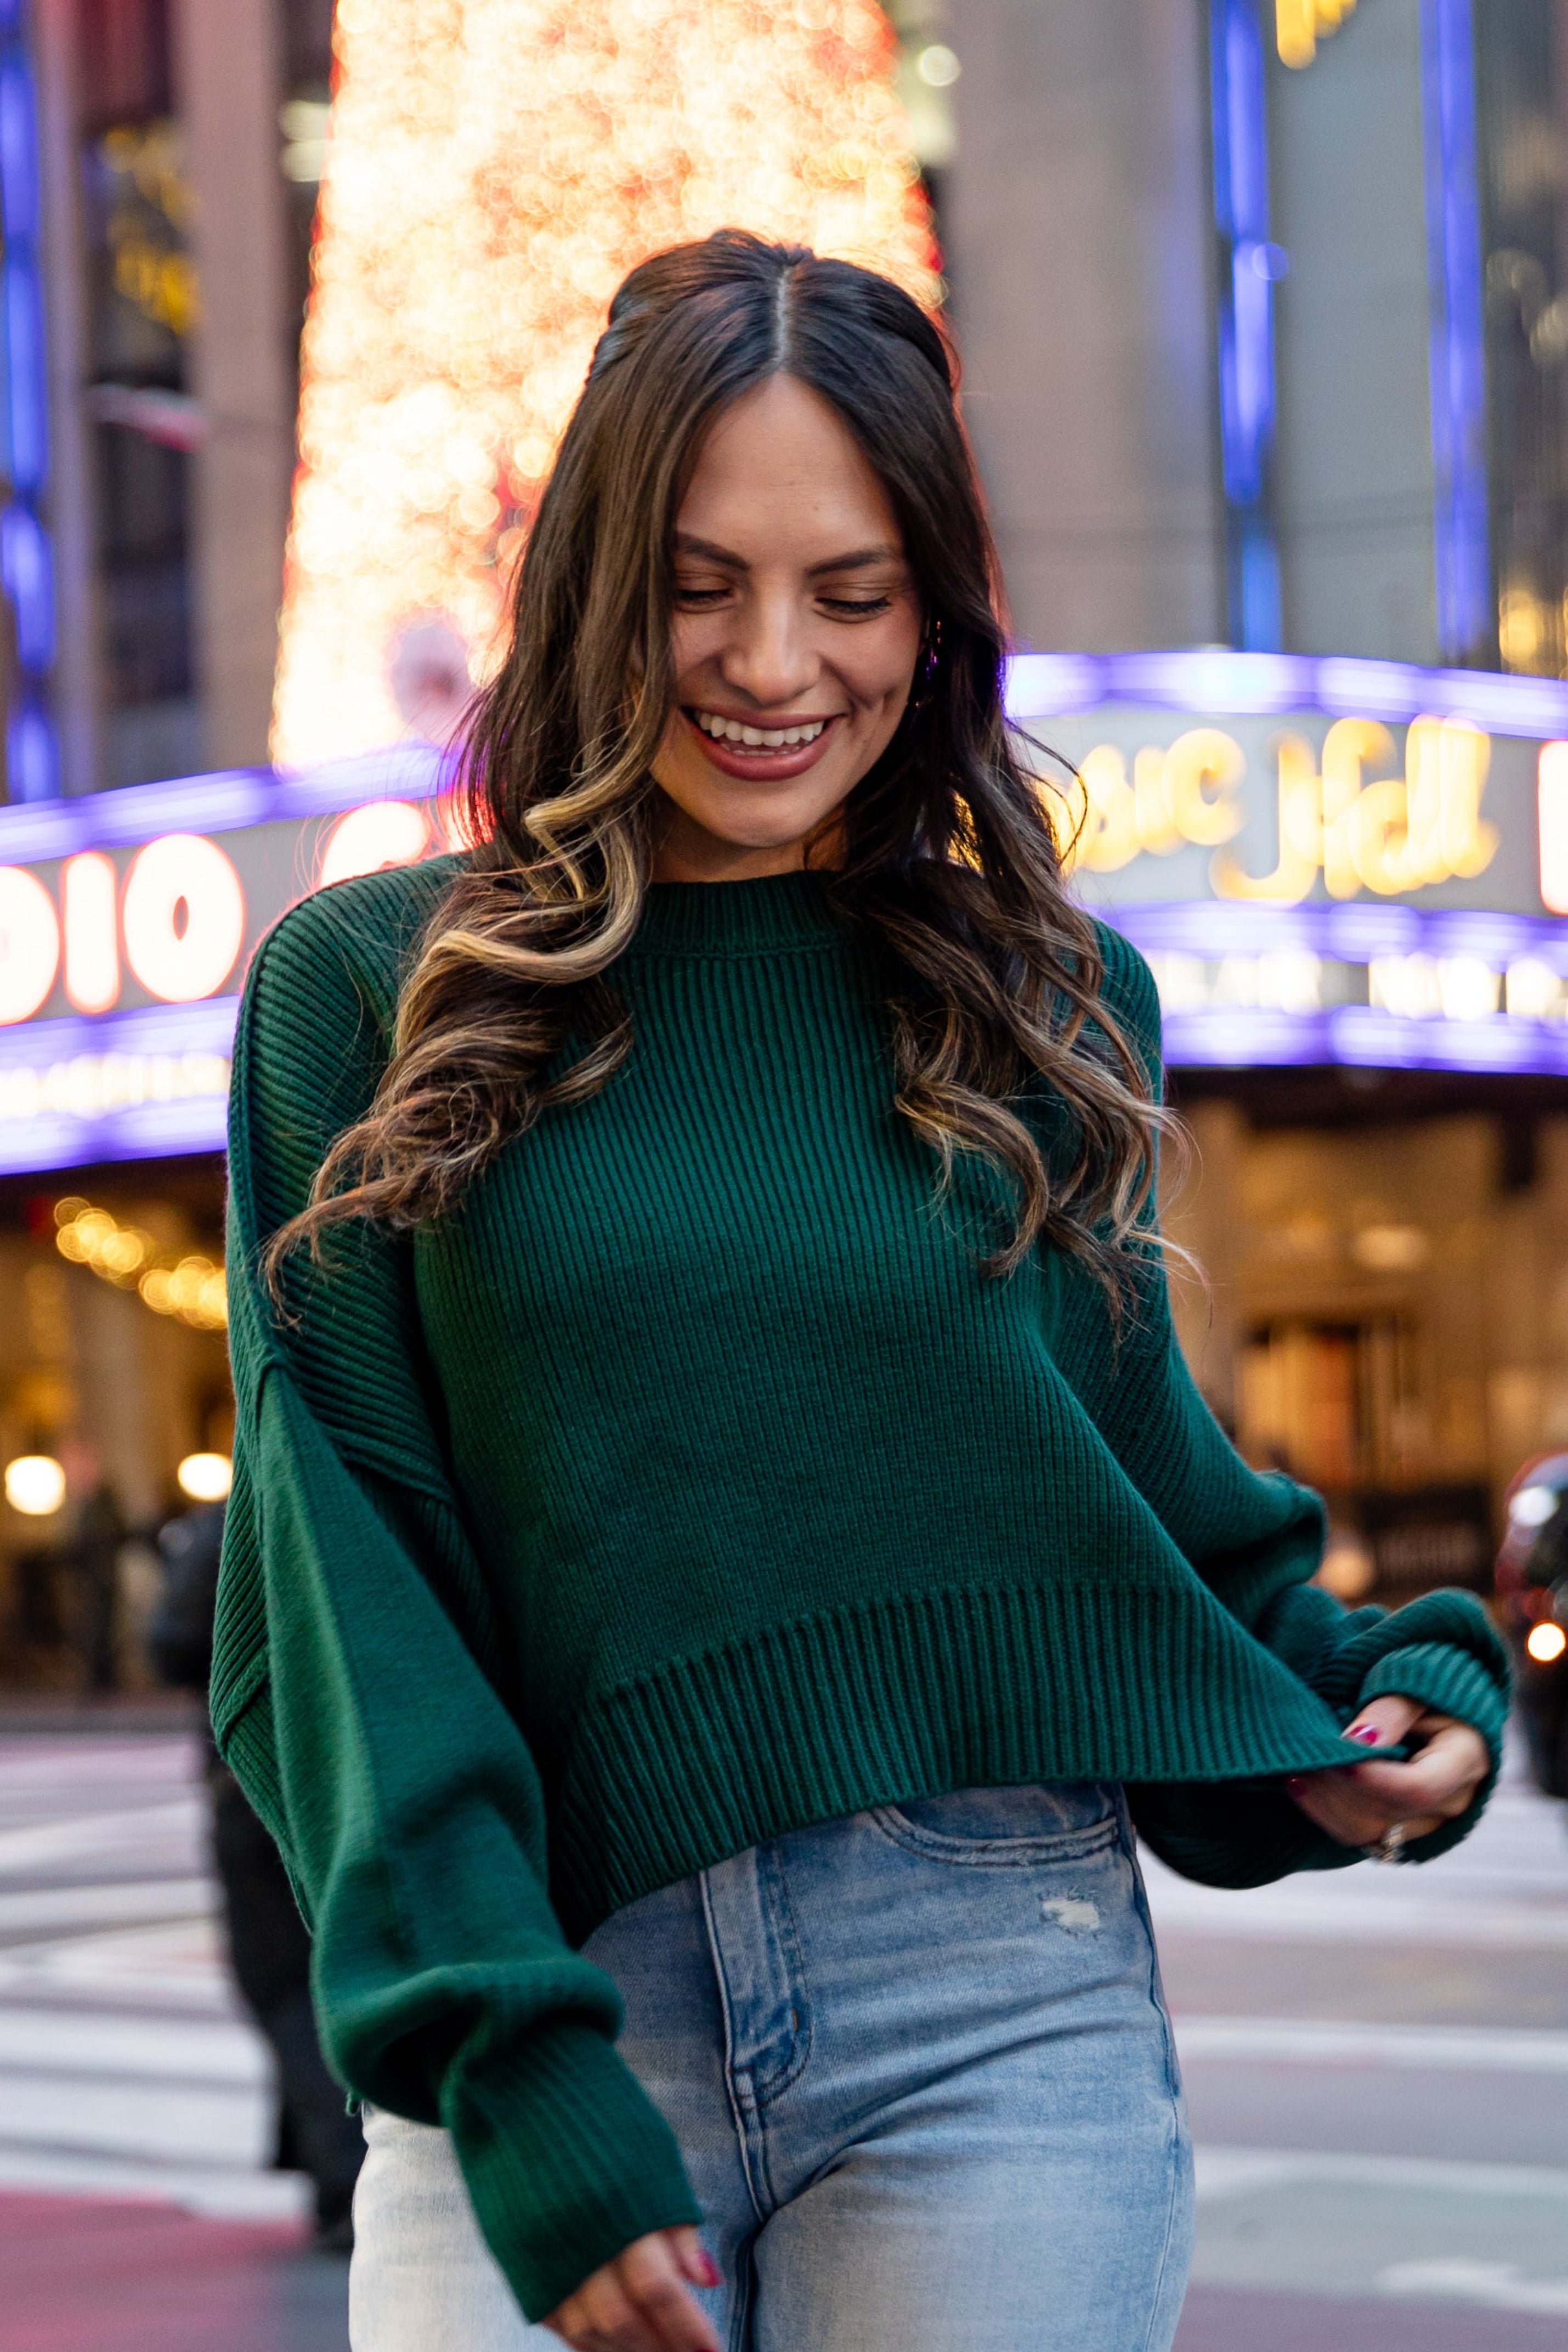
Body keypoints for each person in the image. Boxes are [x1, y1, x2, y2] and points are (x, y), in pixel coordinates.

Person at [214, 231, 1507, 2352]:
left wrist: (1369, 1705)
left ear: (937, 609)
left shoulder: (1050, 1000)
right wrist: (509, 2057)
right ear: (599, 583)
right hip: (559, 1988)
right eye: (698, 584)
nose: (772, 661)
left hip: (994, 1998)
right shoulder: (370, 992)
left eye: (851, 588)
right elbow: (340, 1581)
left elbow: (1133, 1490)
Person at [150, 1497, 365, 2246]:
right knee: (335, 1969)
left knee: (284, 1983)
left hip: (253, 1780)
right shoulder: (344, 1498)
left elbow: (170, 1643)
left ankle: (343, 2175)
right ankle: (336, 2161)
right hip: (348, 1770)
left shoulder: (229, 1524)